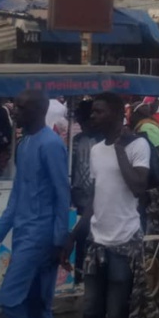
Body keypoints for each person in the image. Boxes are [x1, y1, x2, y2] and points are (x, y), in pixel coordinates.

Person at [61, 93, 158, 318]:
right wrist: (74, 236)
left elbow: (138, 186)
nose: (92, 116)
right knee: (91, 315)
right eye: (92, 112)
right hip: (97, 243)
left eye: (98, 111)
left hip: (124, 242)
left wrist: (119, 149)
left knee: (116, 315)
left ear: (116, 115)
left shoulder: (138, 145)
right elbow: (95, 197)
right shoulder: (95, 150)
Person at [0, 90, 70, 318]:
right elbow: (16, 195)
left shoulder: (51, 145)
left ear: (37, 111)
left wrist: (59, 240)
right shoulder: (24, 145)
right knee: (36, 304)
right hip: (23, 234)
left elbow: (62, 194)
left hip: (40, 236)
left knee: (9, 299)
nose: (14, 111)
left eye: (20, 108)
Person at [71, 100, 99, 283]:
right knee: (81, 234)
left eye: (85, 122)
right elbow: (72, 166)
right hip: (79, 195)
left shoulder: (103, 141)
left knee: (92, 236)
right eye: (80, 123)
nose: (82, 126)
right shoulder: (76, 140)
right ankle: (79, 273)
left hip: (98, 196)